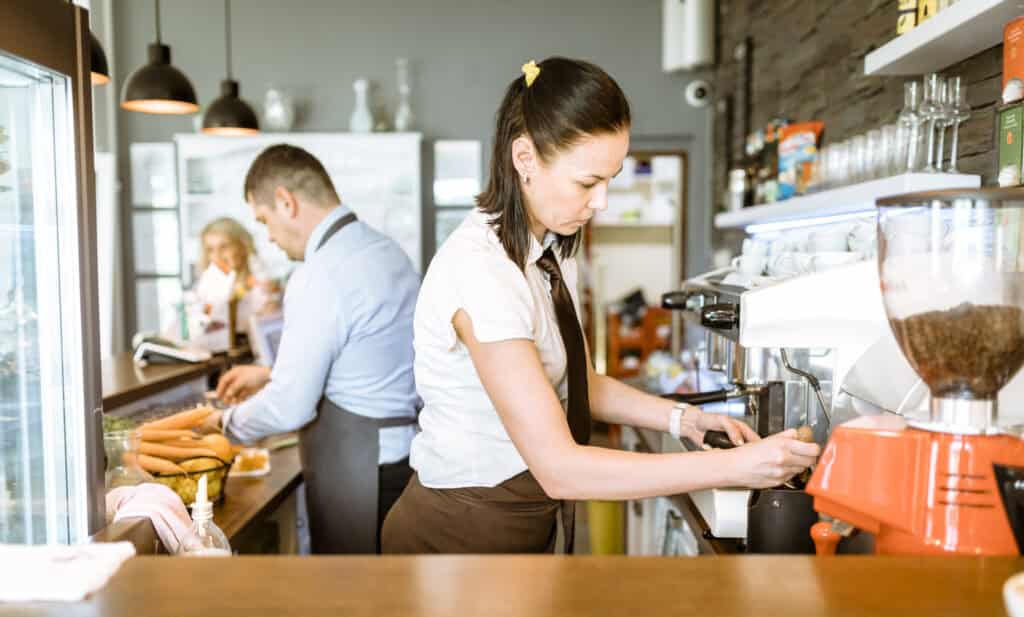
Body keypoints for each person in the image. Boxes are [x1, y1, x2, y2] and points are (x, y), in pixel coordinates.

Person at [382, 58, 819, 554]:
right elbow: (560, 467)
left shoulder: (548, 250)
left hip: (525, 518)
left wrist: (685, 420)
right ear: (524, 158)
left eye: (611, 179)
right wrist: (738, 466)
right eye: (588, 183)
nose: (602, 202)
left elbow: (577, 381)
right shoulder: (481, 271)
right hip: (460, 531)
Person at [203, 144, 421, 554]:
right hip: (404, 461)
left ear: (286, 202)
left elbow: (290, 407)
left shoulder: (319, 274)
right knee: (391, 601)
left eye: (264, 219)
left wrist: (221, 425)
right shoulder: (386, 251)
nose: (267, 235)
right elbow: (369, 354)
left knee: (351, 605)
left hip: (359, 473)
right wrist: (269, 374)